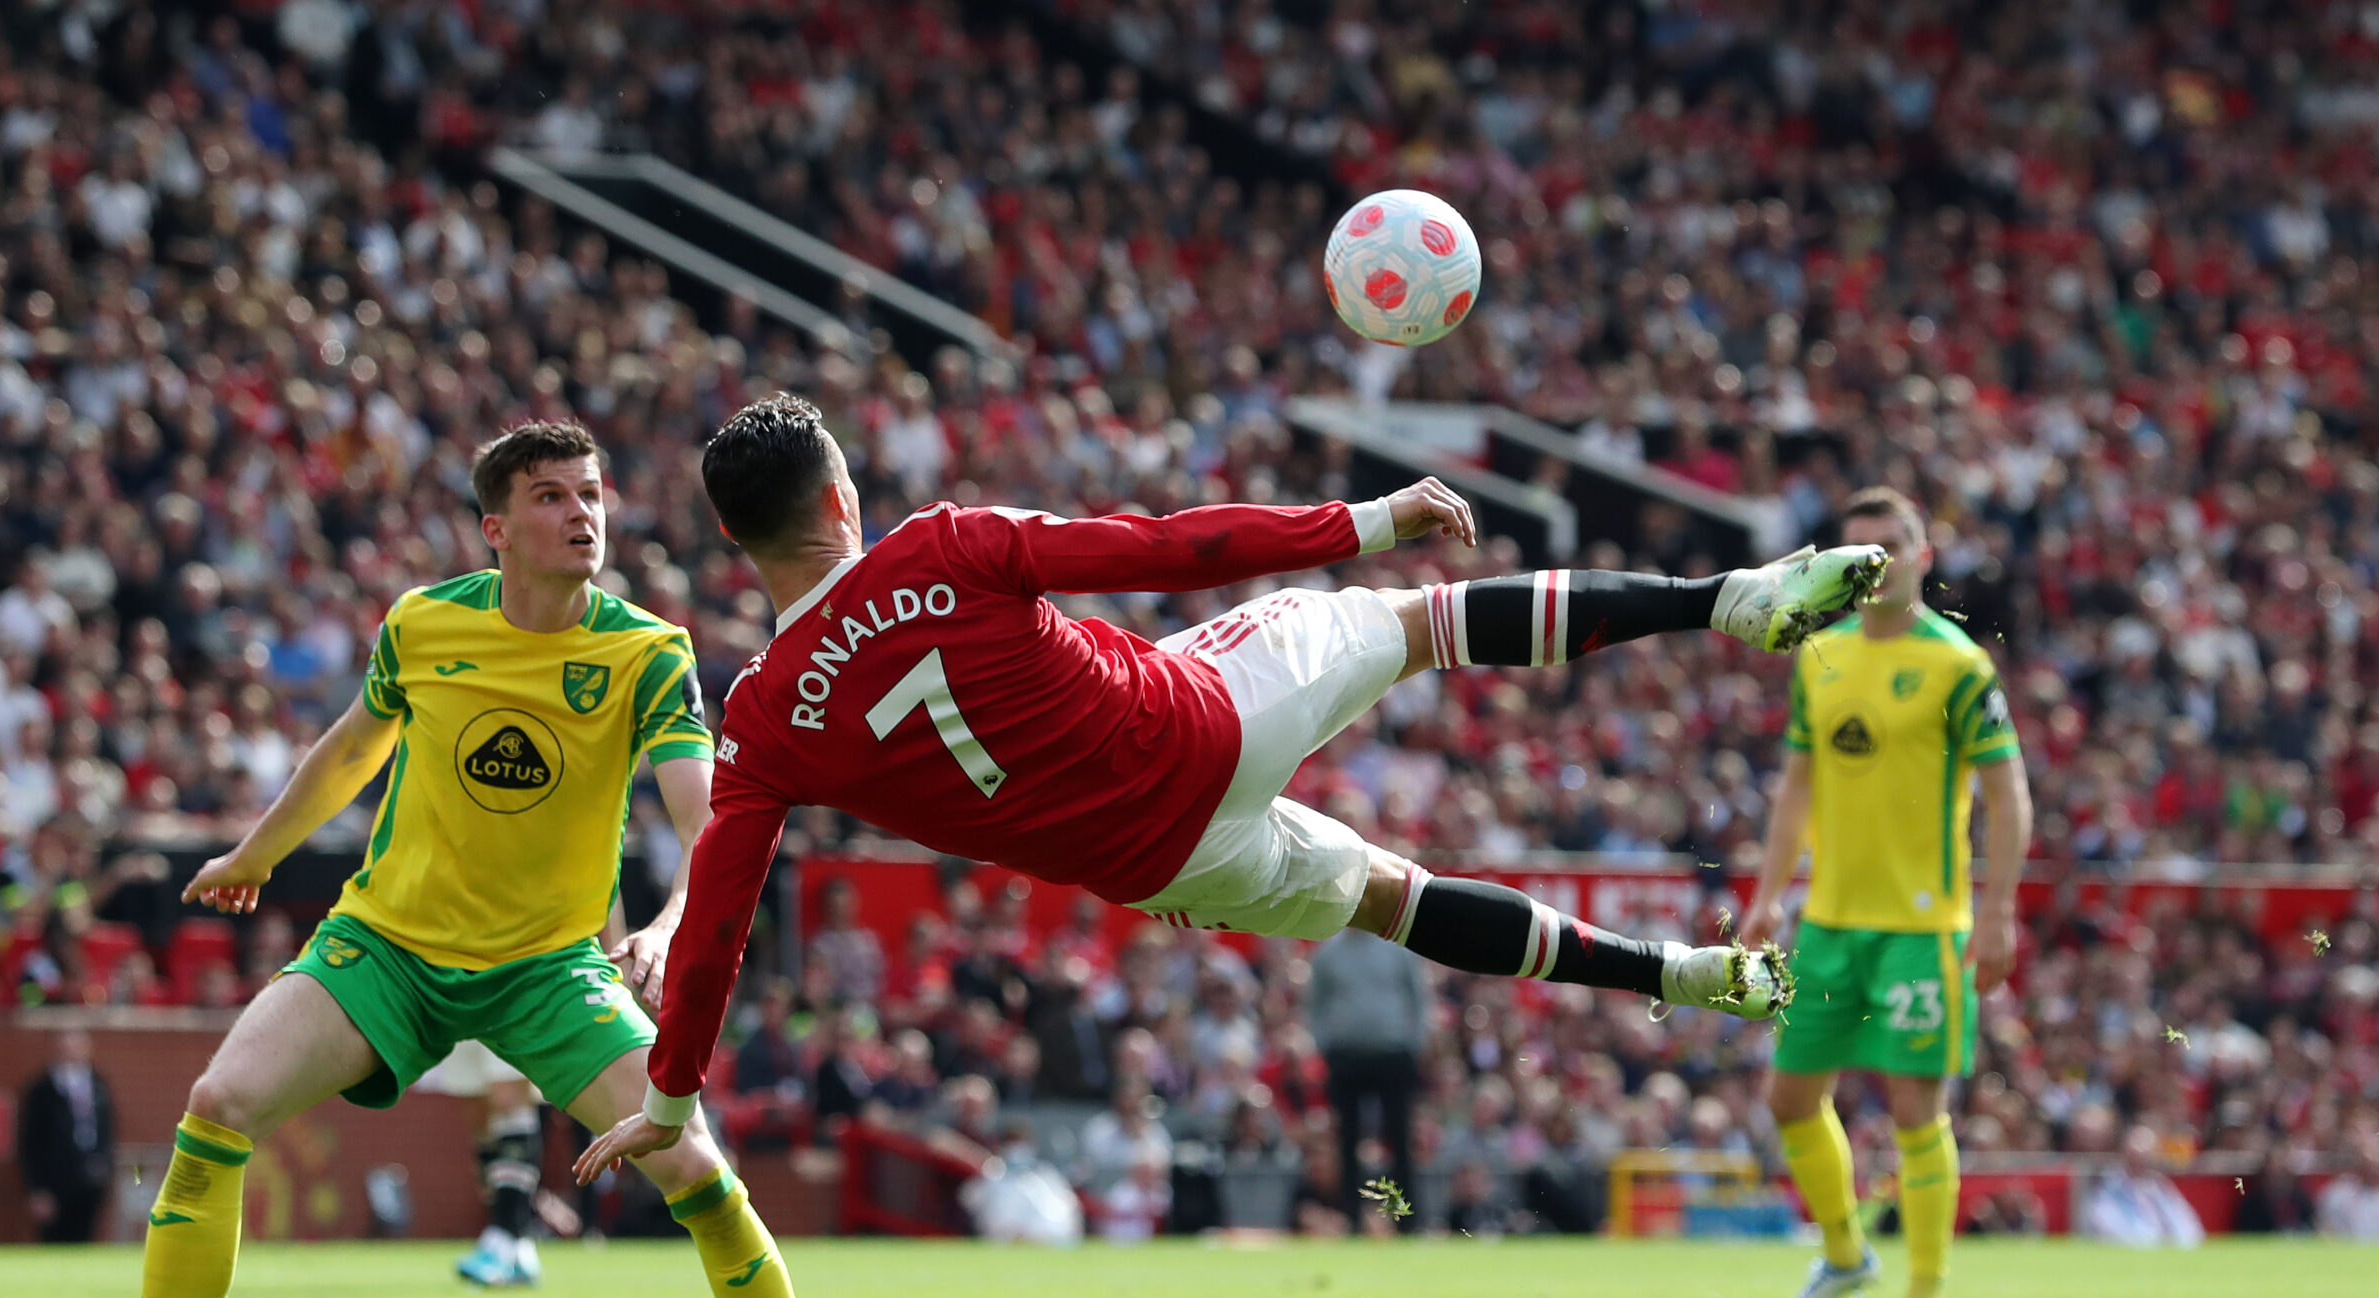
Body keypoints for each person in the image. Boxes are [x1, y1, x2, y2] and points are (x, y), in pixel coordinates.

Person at [577, 394, 1883, 1184]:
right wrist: (1361, 519)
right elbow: (1168, 544)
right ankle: (1733, 597)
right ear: (845, 494)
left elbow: (722, 924)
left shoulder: (759, 723)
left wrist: (675, 1098)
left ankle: (1678, 974)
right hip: (1204, 715)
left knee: (1389, 897)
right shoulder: (946, 545)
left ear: (736, 541)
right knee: (1418, 621)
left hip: (1157, 864)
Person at [64, 421, 870, 1298]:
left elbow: (706, 816)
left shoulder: (645, 651)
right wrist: (253, 851)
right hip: (387, 946)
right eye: (550, 496)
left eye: (590, 492)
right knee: (218, 1103)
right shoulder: (424, 622)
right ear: (497, 528)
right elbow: (356, 742)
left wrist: (672, 923)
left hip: (549, 968)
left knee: (699, 1172)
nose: (581, 513)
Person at [1735, 488, 2032, 1298]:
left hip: (1923, 926)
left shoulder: (1959, 664)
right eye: (1858, 553)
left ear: (1923, 557)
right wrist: (1765, 892)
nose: (1875, 566)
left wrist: (1999, 909)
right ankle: (1843, 1255)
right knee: (1788, 1095)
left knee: (1913, 1107)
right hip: (1830, 923)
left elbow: (2009, 793)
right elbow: (1797, 785)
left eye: (1889, 548)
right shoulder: (1818, 657)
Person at [1306, 925, 1431, 1228]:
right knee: (1347, 1142)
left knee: (1399, 1139)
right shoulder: (1328, 952)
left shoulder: (1396, 948)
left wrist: (1413, 1042)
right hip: (1346, 1056)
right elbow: (1314, 1004)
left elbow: (1418, 997)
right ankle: (1352, 1219)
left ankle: (1405, 1220)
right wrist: (1326, 1045)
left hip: (1392, 1053)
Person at [411, 1039, 548, 1287]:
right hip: (458, 1004)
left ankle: (502, 1236)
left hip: (506, 1002)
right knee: (478, 1110)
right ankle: (518, 1248)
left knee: (508, 1098)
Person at [18, 1027, 117, 1243]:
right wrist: (37, 1188)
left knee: (85, 1240)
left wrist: (104, 1166)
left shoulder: (99, 1085)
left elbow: (107, 1131)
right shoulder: (41, 1090)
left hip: (90, 1180)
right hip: (54, 1182)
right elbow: (29, 1143)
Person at [2078, 1125, 2204, 1249]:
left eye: (2147, 1155)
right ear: (2124, 1154)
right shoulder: (2108, 1186)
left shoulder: (2160, 1187)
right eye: (2135, 1155)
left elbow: (2189, 1230)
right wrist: (2153, 1244)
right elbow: (2106, 1228)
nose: (2140, 1161)